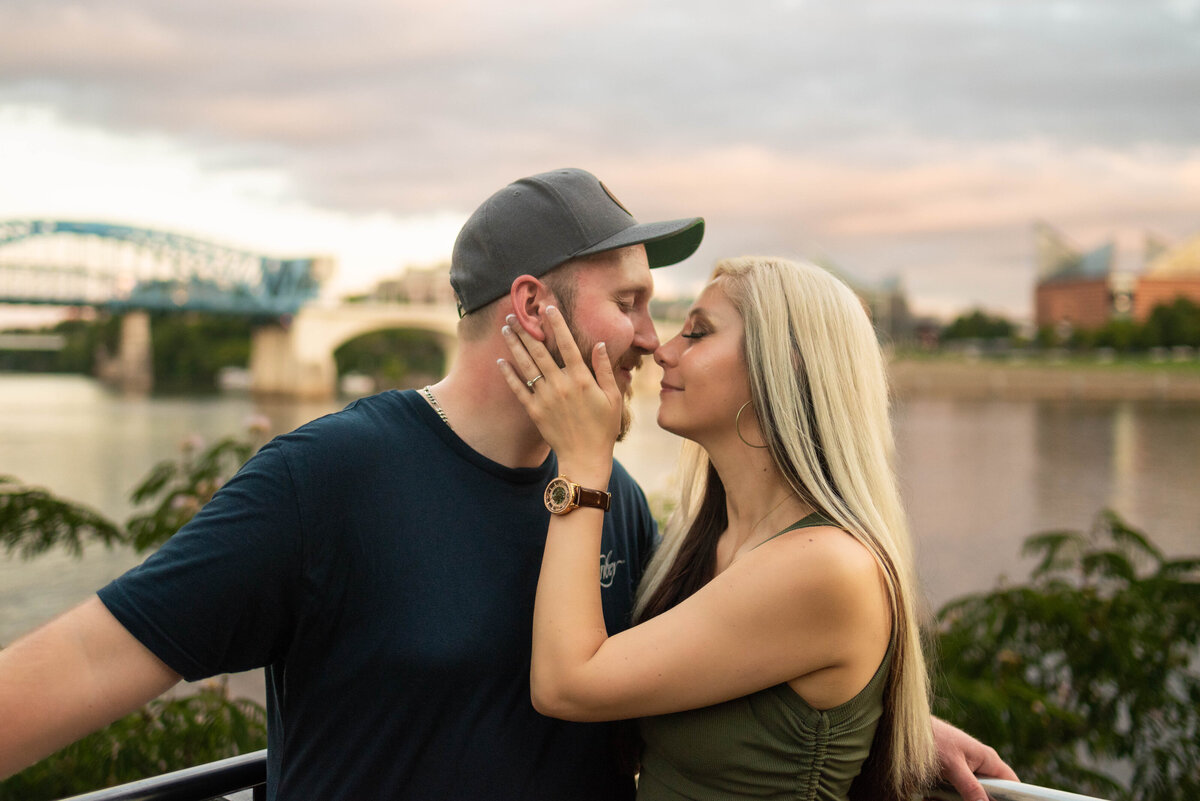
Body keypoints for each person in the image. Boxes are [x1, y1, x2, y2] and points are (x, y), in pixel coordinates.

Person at [0, 169, 1013, 800]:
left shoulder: (609, 500)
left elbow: (700, 671)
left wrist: (887, 726)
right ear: (531, 307)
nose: (652, 339)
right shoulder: (331, 478)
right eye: (630, 302)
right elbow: (89, 658)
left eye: (670, 315)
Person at [496, 254, 964, 799]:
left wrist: (580, 465)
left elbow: (565, 685)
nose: (661, 351)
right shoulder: (704, 542)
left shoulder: (825, 568)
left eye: (697, 333)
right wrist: (896, 726)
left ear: (782, 366)